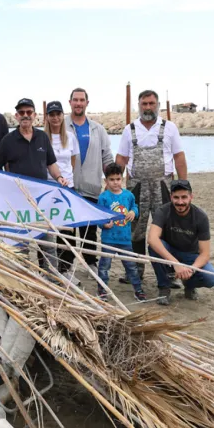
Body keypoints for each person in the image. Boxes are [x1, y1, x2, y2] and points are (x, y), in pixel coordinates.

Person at [0, 98, 67, 271]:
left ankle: (52, 280)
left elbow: (51, 164)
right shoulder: (8, 140)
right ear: (16, 116)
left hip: (41, 203)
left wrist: (59, 178)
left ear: (35, 115)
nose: (25, 116)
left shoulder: (43, 137)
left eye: (29, 112)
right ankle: (25, 281)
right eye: (21, 113)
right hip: (18, 203)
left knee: (48, 245)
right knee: (21, 246)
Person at [116, 89, 187, 283]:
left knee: (165, 228)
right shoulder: (129, 129)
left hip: (162, 186)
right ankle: (135, 271)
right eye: (144, 104)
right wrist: (114, 186)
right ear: (139, 106)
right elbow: (122, 158)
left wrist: (183, 185)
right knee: (135, 228)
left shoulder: (169, 128)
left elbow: (178, 156)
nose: (148, 107)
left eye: (151, 103)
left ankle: (168, 273)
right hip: (136, 186)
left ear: (158, 105)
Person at [66, 88, 114, 271]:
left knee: (89, 229)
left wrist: (113, 182)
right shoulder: (61, 126)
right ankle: (66, 263)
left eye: (82, 100)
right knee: (67, 228)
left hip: (91, 186)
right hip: (67, 187)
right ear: (70, 102)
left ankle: (90, 261)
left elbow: (107, 158)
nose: (78, 103)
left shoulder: (98, 129)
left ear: (87, 103)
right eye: (75, 100)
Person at [148, 180, 214, 305]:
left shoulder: (201, 217)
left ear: (191, 196)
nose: (180, 202)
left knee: (211, 278)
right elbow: (152, 238)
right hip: (170, 252)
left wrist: (191, 269)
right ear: (171, 197)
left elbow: (205, 254)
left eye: (184, 197)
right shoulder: (163, 211)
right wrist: (175, 263)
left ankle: (189, 285)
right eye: (176, 197)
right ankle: (164, 287)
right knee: (154, 246)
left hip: (190, 255)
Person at [96, 163, 144, 302]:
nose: (115, 182)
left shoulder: (128, 195)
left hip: (125, 240)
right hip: (108, 240)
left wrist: (133, 212)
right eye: (111, 179)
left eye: (118, 179)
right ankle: (102, 290)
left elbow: (135, 207)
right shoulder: (104, 197)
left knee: (131, 267)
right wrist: (104, 224)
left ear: (122, 179)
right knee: (104, 266)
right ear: (106, 181)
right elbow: (98, 217)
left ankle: (138, 290)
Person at [44, 100, 80, 277]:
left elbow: (72, 162)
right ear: (47, 117)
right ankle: (48, 269)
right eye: (52, 114)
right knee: (48, 230)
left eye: (58, 114)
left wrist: (66, 179)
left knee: (67, 230)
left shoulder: (70, 137)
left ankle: (66, 270)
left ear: (62, 115)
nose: (55, 117)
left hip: (67, 188)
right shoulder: (42, 138)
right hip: (48, 187)